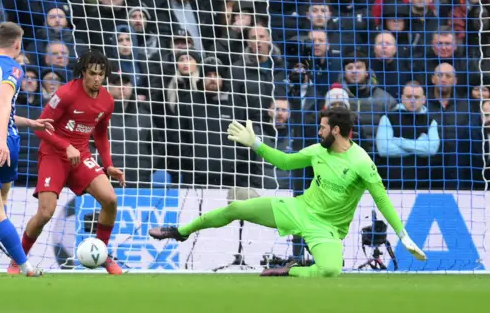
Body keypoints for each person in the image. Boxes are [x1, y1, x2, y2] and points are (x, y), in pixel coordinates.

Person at [149, 107, 427, 277]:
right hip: (297, 208)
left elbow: (382, 200)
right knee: (236, 209)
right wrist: (256, 143)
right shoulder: (318, 151)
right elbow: (285, 161)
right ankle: (181, 231)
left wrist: (403, 235)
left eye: (323, 128)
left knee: (330, 270)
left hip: (326, 228)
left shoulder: (362, 163)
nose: (319, 132)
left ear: (337, 130)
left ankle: (290, 270)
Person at [13, 50, 125, 275]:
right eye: (92, 73)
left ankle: (101, 253)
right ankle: (17, 260)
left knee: (110, 200)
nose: (97, 79)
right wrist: (66, 146)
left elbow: (101, 134)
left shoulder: (107, 100)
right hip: (54, 154)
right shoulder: (65, 94)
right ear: (83, 72)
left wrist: (108, 163)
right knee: (45, 213)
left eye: (101, 74)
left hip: (81, 156)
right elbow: (40, 129)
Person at [0, 22, 54, 277]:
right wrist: (3, 140)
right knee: (0, 205)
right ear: (17, 44)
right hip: (5, 142)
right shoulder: (12, 67)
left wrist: (29, 122)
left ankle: (22, 265)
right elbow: (3, 105)